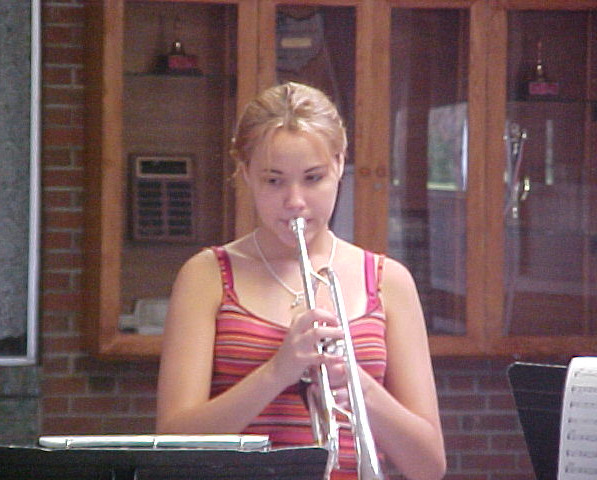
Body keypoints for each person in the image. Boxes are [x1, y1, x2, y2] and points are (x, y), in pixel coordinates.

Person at [156, 82, 446, 480]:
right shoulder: (206, 275)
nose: (295, 201)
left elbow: (429, 467)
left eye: (313, 178)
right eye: (274, 181)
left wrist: (359, 386)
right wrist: (278, 371)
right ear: (246, 173)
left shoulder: (388, 280)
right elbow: (171, 448)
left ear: (340, 163)